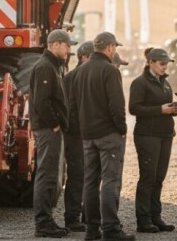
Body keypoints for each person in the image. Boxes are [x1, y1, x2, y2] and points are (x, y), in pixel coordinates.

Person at [69, 31, 134, 241]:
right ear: (109, 47)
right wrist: (122, 129)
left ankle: (92, 230)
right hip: (108, 135)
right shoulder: (110, 71)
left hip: (87, 136)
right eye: (114, 47)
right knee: (109, 181)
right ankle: (111, 229)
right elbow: (116, 105)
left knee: (90, 182)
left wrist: (83, 129)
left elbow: (73, 106)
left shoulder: (80, 71)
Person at [30, 29, 77, 238]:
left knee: (52, 176)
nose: (69, 50)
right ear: (56, 45)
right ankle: (43, 223)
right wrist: (54, 123)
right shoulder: (45, 67)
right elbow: (41, 101)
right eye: (67, 46)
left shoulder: (53, 66)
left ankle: (47, 220)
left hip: (51, 128)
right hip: (48, 129)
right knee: (46, 175)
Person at [128, 47, 177, 233]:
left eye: (166, 64)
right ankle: (143, 220)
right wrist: (160, 110)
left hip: (165, 135)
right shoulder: (139, 83)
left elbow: (167, 106)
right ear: (150, 63)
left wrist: (174, 110)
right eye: (162, 64)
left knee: (159, 178)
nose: (165, 67)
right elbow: (134, 108)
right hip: (147, 136)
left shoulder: (165, 83)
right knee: (148, 177)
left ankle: (155, 216)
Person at [61, 41, 94, 233]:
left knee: (88, 175)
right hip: (75, 135)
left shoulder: (88, 76)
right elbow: (69, 109)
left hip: (87, 133)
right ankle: (72, 217)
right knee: (77, 175)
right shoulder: (71, 78)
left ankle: (85, 214)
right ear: (83, 57)